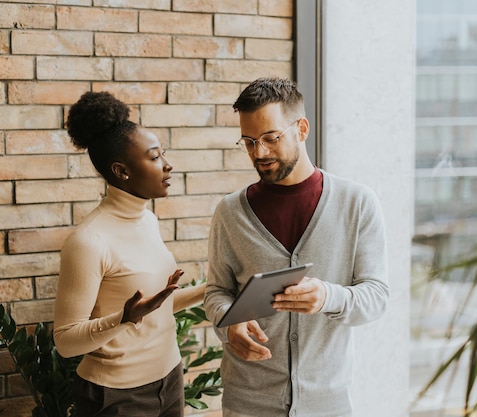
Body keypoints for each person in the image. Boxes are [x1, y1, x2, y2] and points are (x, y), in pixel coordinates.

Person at [204, 77, 389, 417]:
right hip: (247, 404)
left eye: (271, 139)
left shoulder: (357, 203)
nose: (259, 152)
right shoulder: (230, 212)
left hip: (327, 404)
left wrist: (328, 297)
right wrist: (228, 323)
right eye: (248, 142)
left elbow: (376, 296)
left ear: (302, 128)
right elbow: (216, 291)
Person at [53, 91, 205, 417]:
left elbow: (153, 308)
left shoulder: (148, 220)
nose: (167, 164)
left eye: (163, 154)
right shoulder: (89, 241)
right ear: (122, 171)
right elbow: (65, 343)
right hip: (115, 397)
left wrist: (212, 289)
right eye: (154, 157)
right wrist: (124, 319)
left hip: (170, 378)